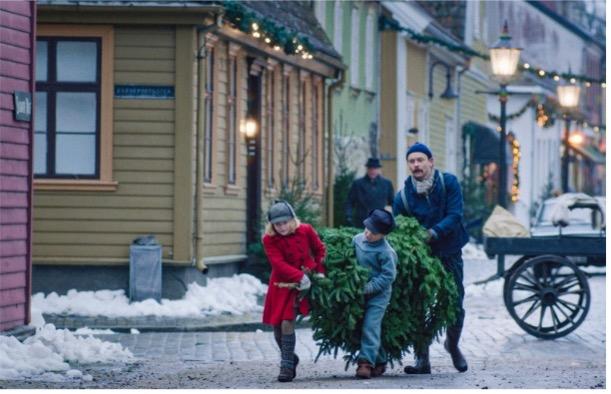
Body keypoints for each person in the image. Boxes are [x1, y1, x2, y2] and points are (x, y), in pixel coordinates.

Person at [392, 142, 469, 374]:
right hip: (421, 257)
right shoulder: (403, 196)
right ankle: (422, 359)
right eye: (412, 161)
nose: (416, 165)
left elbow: (455, 215)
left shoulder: (448, 183)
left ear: (430, 161)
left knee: (455, 302)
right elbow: (400, 227)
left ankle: (453, 346)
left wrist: (433, 233)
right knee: (418, 305)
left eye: (420, 160)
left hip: (450, 251)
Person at [262, 200, 326, 382]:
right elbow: (278, 263)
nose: (281, 227)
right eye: (277, 224)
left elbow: (320, 250)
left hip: (303, 283)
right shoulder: (269, 239)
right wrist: (298, 276)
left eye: (284, 222)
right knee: (276, 327)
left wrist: (319, 271)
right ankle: (290, 357)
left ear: (292, 219)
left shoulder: (305, 230)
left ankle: (286, 367)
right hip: (281, 283)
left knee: (286, 321)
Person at [352, 209, 398, 379]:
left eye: (374, 233)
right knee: (361, 325)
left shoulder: (387, 252)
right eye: (367, 229)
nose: (368, 234)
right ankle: (380, 360)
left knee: (370, 325)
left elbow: (388, 276)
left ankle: (365, 363)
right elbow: (349, 260)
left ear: (383, 235)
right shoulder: (357, 240)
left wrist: (369, 288)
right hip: (358, 292)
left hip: (378, 296)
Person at [345, 158, 395, 228]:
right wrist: (348, 215)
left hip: (379, 221)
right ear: (367, 169)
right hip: (361, 221)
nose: (373, 171)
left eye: (375, 168)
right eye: (371, 168)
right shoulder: (358, 183)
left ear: (379, 170)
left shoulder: (386, 184)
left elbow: (393, 202)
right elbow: (349, 201)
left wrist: (396, 217)